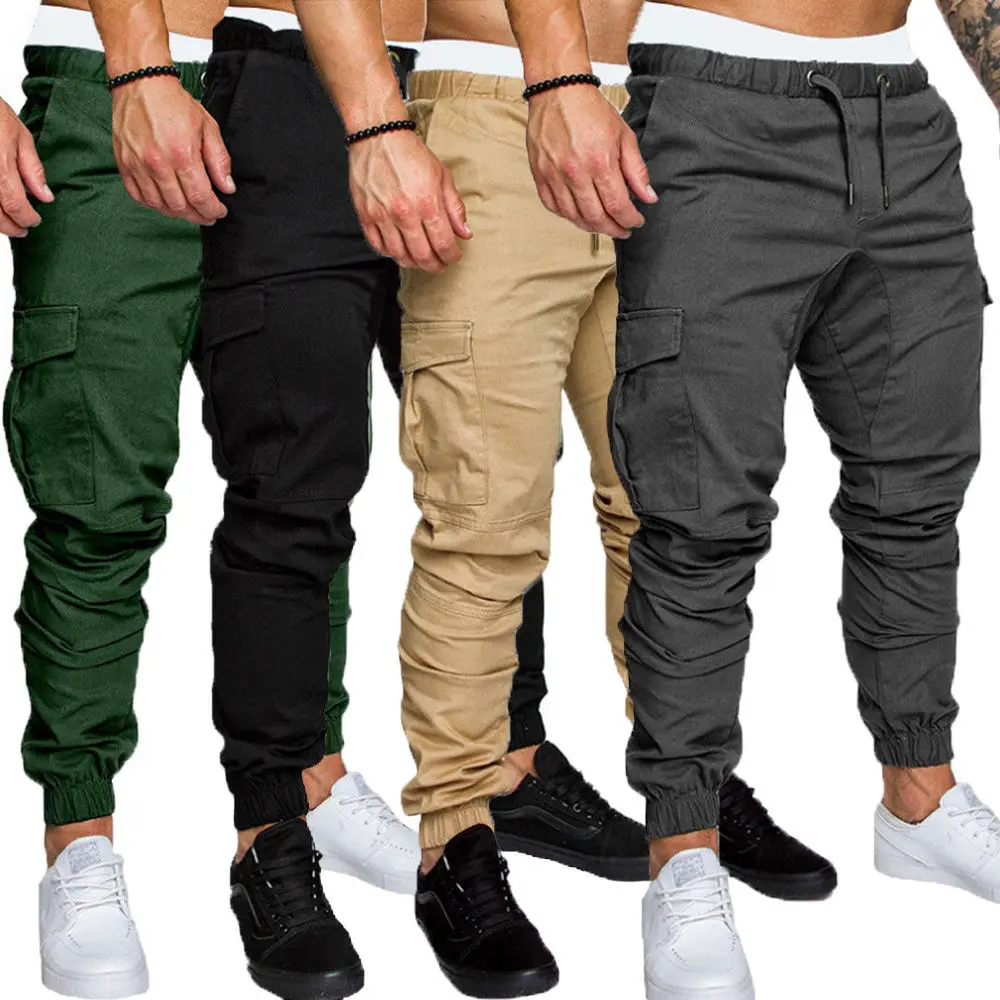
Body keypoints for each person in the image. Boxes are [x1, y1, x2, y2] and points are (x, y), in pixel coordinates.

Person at [297, 2, 836, 996]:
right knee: (483, 522)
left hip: (664, 118)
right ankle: (455, 844)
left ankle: (691, 786)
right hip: (494, 113)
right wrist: (377, 127)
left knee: (668, 508)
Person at [505, 1, 999, 997]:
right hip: (713, 111)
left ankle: (920, 795)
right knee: (698, 516)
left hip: (901, 116)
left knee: (916, 491)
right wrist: (558, 79)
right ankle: (684, 853)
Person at [2, 1, 409, 996]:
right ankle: (79, 837)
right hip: (115, 86)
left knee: (300, 481)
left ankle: (309, 779)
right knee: (95, 496)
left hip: (308, 85)